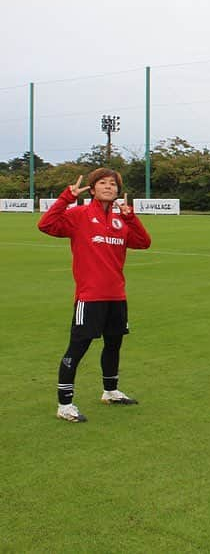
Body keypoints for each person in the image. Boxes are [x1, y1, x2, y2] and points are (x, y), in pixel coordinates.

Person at [37, 169, 152, 423]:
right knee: (78, 347)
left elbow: (144, 242)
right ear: (92, 189)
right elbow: (45, 224)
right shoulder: (79, 215)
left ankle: (110, 391)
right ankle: (64, 405)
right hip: (90, 297)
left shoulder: (121, 220)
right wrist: (66, 197)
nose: (109, 187)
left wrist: (131, 217)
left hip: (116, 295)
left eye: (113, 184)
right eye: (103, 183)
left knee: (114, 344)